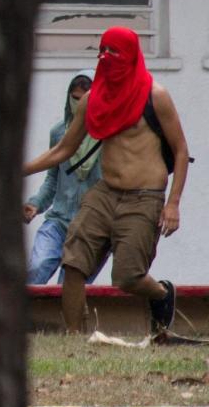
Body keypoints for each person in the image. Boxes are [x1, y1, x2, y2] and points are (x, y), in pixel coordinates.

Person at [24, 26, 189, 333]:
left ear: (131, 55)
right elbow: (63, 150)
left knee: (127, 276)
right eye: (104, 51)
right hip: (104, 193)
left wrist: (173, 204)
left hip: (144, 196)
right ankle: (75, 339)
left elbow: (181, 151)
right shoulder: (93, 99)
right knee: (73, 263)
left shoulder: (156, 96)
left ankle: (162, 294)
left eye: (115, 52)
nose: (107, 57)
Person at [24, 70, 103, 284]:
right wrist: (36, 204)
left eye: (85, 98)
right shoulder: (60, 132)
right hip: (59, 221)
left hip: (92, 227)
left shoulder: (111, 135)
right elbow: (53, 177)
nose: (79, 104)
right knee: (36, 268)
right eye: (75, 98)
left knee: (70, 288)